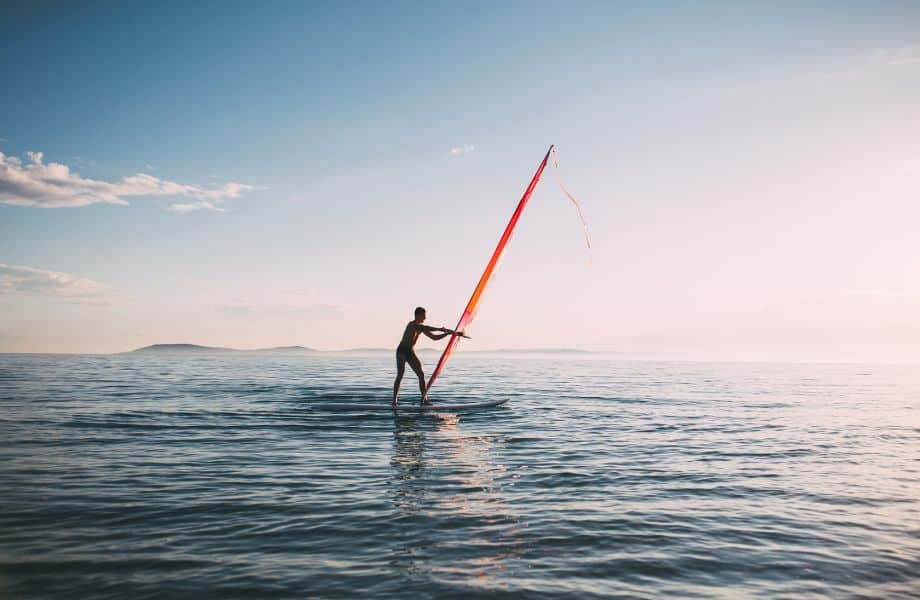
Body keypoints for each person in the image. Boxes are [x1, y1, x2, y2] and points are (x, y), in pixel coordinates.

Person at [393, 307, 457, 406]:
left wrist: (447, 334)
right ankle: (394, 401)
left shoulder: (421, 327)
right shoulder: (412, 325)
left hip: (410, 351)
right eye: (423, 315)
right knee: (400, 374)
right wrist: (440, 329)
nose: (425, 318)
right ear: (418, 315)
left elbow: (434, 338)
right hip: (401, 350)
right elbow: (426, 327)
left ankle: (424, 400)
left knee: (421, 375)